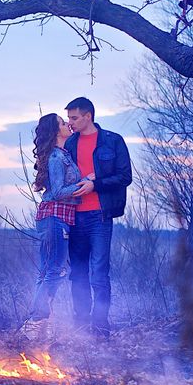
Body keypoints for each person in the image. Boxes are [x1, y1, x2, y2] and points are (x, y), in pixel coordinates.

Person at [63, 97, 132, 339]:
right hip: (73, 217)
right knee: (78, 273)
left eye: (74, 118)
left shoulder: (113, 141)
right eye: (69, 118)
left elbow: (125, 177)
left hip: (100, 216)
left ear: (88, 116)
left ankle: (101, 328)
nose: (70, 123)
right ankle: (81, 327)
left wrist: (96, 184)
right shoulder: (69, 144)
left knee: (99, 273)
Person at [20, 113, 83, 339]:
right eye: (62, 122)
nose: (67, 124)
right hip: (55, 217)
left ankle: (35, 322)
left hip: (55, 218)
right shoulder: (57, 157)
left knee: (49, 270)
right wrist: (83, 185)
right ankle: (37, 319)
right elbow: (56, 192)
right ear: (57, 131)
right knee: (54, 269)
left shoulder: (61, 154)